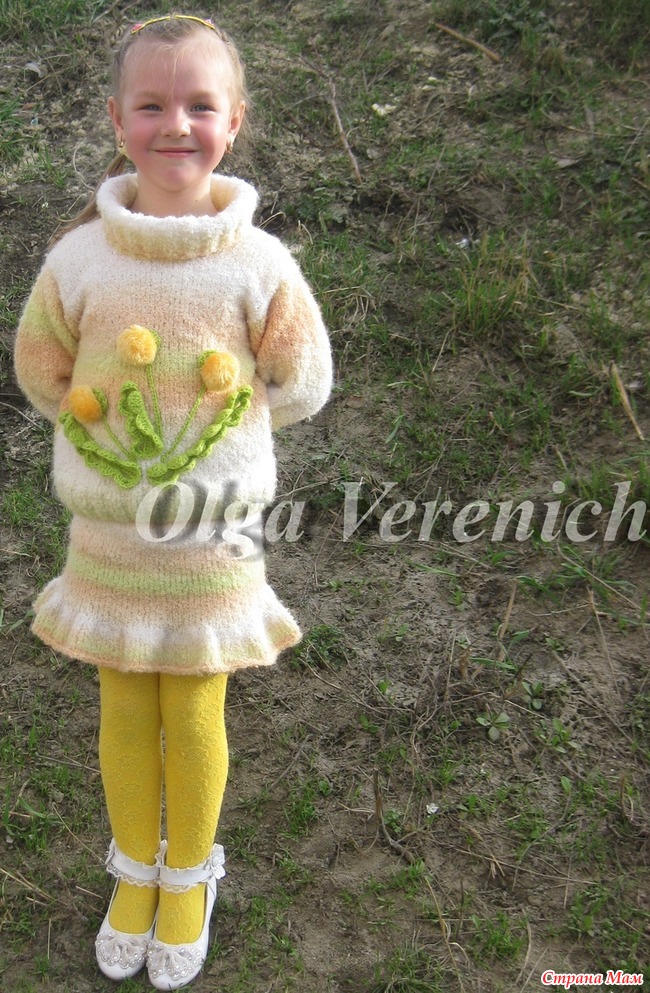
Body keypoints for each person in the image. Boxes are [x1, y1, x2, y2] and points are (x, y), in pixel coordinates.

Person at [14, 13, 332, 990]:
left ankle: (187, 878)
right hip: (108, 540)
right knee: (121, 703)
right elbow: (40, 368)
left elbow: (303, 381)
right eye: (151, 105)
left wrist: (223, 444)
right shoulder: (78, 261)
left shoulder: (260, 265)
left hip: (209, 542)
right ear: (118, 121)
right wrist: (108, 447)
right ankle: (133, 874)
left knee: (193, 706)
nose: (176, 125)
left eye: (199, 104)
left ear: (234, 121)